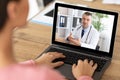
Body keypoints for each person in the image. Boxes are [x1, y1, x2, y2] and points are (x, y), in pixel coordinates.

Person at [0, 0, 97, 80]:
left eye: (87, 19)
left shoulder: (95, 33)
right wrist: (84, 77)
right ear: (14, 10)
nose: (84, 21)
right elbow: (70, 36)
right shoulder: (44, 76)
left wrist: (34, 63)